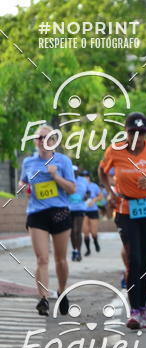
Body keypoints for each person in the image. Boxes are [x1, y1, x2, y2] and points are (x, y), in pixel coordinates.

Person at [98, 112, 146, 329]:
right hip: (125, 210)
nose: (137, 137)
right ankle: (134, 311)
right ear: (126, 132)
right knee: (134, 259)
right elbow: (102, 171)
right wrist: (109, 191)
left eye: (141, 133)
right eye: (132, 132)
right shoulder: (115, 150)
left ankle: (143, 307)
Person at [18, 123, 76, 316]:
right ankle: (43, 298)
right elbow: (22, 182)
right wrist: (23, 187)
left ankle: (62, 291)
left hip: (59, 212)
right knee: (42, 259)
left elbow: (72, 189)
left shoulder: (63, 161)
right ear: (35, 141)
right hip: (37, 213)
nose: (43, 142)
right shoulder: (28, 162)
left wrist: (55, 176)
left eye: (47, 138)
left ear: (54, 141)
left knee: (60, 259)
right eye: (39, 138)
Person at [68, 167, 89, 262]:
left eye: (75, 171)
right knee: (71, 232)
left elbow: (88, 191)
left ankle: (79, 252)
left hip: (80, 208)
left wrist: (86, 196)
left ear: (78, 172)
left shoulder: (83, 180)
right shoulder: (66, 178)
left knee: (77, 231)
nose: (74, 173)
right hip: (68, 208)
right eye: (72, 171)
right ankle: (74, 250)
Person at [81, 170, 103, 255]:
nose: (85, 178)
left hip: (93, 211)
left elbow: (100, 196)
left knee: (94, 232)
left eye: (86, 176)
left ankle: (96, 242)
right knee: (85, 232)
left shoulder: (94, 186)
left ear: (89, 177)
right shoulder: (79, 185)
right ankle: (88, 250)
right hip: (83, 211)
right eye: (83, 176)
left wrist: (94, 200)